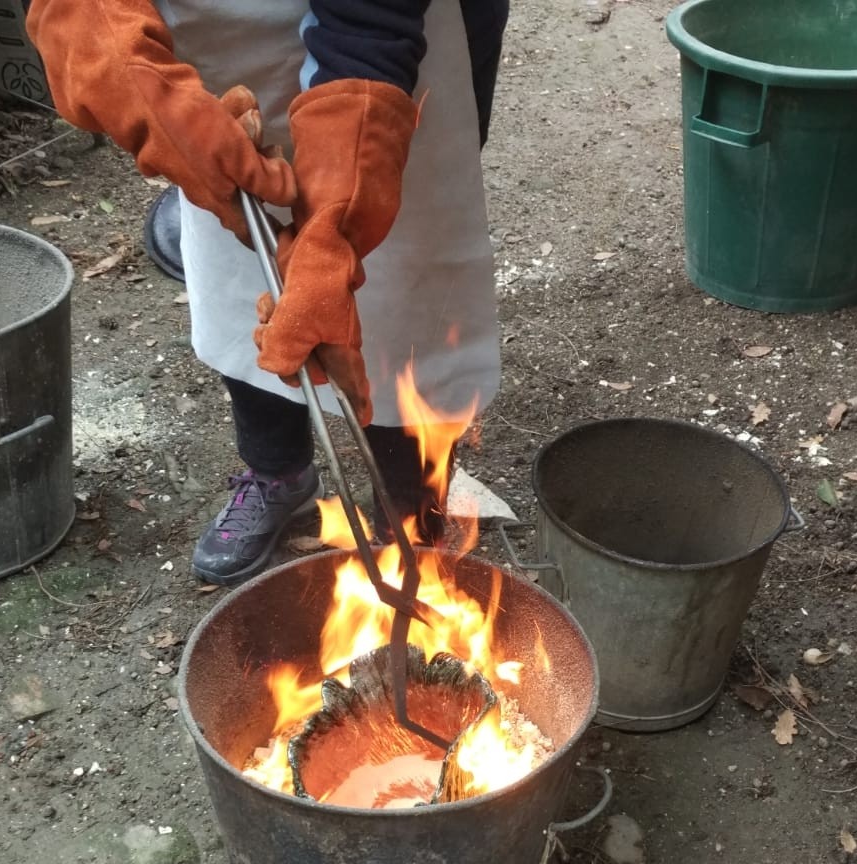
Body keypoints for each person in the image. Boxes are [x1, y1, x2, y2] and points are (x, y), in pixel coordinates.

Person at [26, 0, 507, 585]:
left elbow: (372, 22)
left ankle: (407, 517)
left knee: (403, 286)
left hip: (383, 46)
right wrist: (117, 61)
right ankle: (278, 474)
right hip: (207, 59)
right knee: (240, 281)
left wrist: (336, 224)